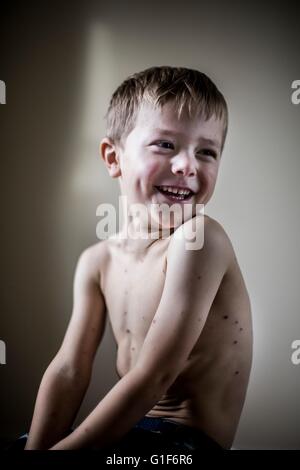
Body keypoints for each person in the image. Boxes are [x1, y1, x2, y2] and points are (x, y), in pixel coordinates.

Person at [24, 66, 252, 452]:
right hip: (133, 431)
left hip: (184, 444)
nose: (188, 165)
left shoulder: (199, 241)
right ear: (113, 158)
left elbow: (155, 375)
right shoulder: (97, 262)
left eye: (207, 152)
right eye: (166, 145)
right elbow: (69, 369)